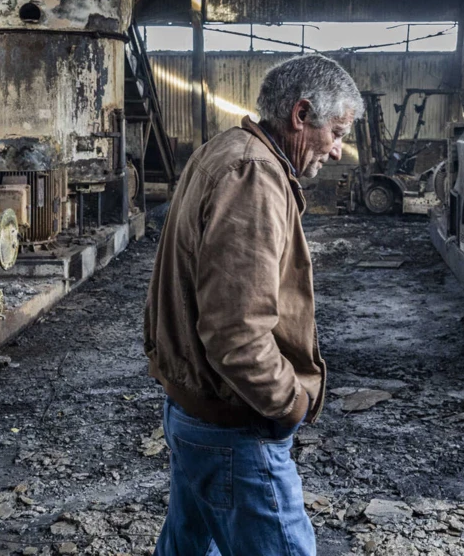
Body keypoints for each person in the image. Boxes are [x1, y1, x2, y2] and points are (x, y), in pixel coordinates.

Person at [145, 54, 363, 556]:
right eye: (336, 131)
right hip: (234, 430)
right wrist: (289, 403)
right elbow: (236, 332)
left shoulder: (226, 148)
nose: (337, 150)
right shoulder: (255, 176)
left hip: (194, 413)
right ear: (301, 115)